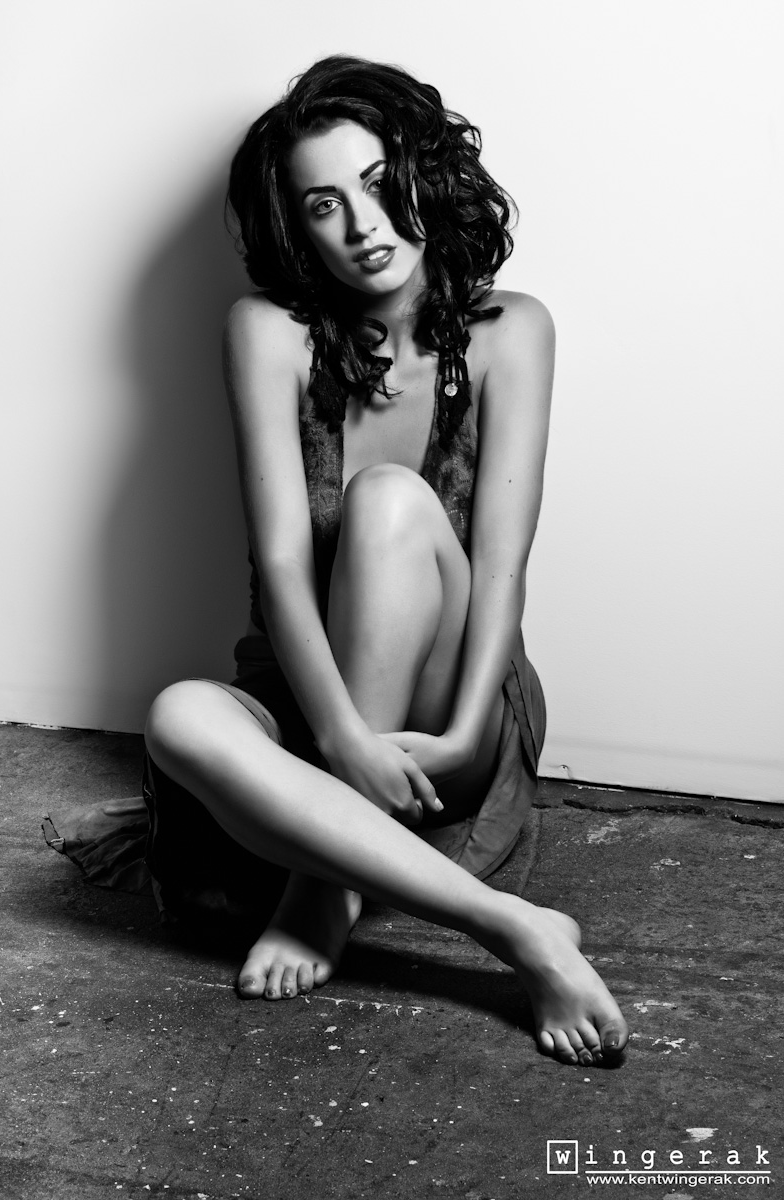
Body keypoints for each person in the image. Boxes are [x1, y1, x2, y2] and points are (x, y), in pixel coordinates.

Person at [142, 55, 629, 1067]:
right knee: (177, 714)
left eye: (376, 183)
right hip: (307, 696)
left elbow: (502, 567)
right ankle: (513, 928)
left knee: (389, 502)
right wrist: (338, 741)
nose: (361, 225)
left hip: (455, 699)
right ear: (295, 228)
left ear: (422, 178)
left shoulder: (511, 330)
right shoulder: (267, 333)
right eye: (324, 203)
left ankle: (318, 887)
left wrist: (465, 727)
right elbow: (281, 568)